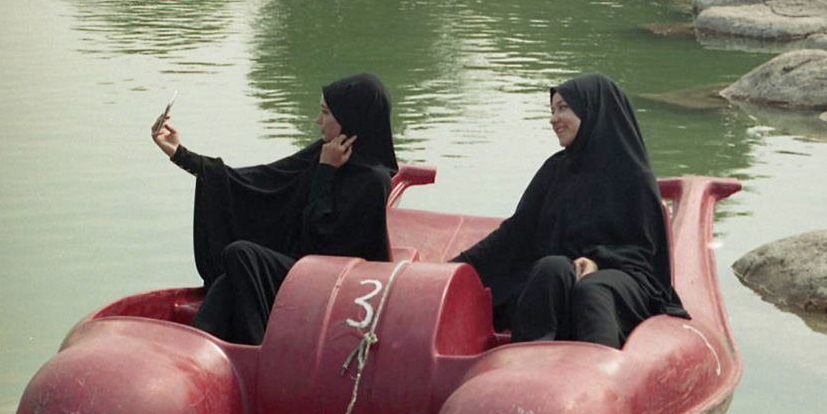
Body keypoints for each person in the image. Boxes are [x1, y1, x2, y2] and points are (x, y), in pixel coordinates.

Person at [151, 74, 399, 344]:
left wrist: (326, 172)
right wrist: (180, 154)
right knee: (227, 282)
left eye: (326, 113)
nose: (318, 120)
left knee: (241, 256)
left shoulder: (373, 181)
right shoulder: (325, 152)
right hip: (301, 266)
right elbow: (261, 181)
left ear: (352, 118)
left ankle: (255, 348)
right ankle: (194, 346)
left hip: (332, 283)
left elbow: (322, 240)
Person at [455, 74, 685, 347]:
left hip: (623, 276)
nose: (553, 119)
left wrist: (598, 263)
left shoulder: (633, 175)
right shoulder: (555, 170)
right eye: (552, 110)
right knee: (549, 268)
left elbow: (642, 252)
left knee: (592, 290)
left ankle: (600, 376)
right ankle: (525, 362)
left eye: (563, 108)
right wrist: (457, 270)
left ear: (591, 111)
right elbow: (515, 234)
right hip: (561, 274)